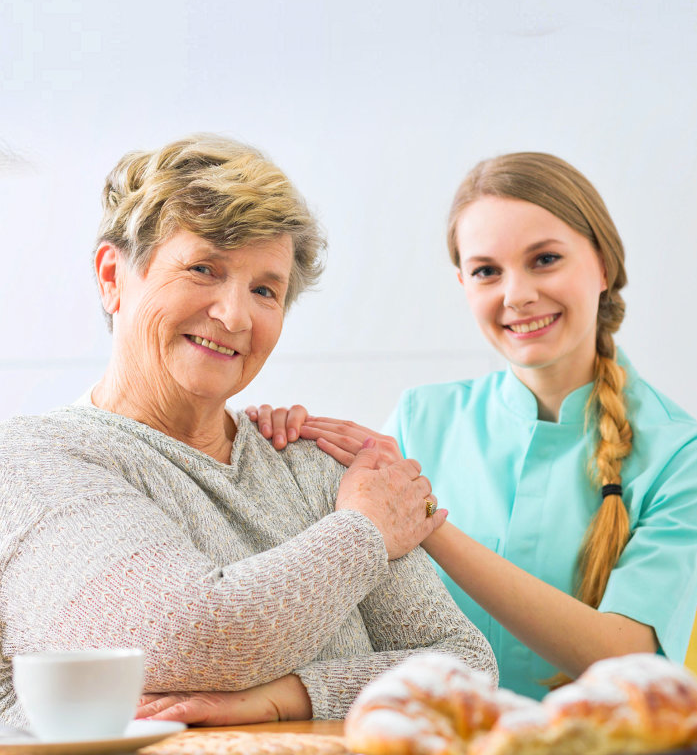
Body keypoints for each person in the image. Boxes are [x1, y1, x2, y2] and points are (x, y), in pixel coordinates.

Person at [0, 134, 495, 729]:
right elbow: (182, 638)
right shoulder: (32, 461)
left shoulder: (314, 462)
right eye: (203, 268)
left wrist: (290, 694)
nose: (234, 316)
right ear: (113, 276)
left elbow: (465, 667)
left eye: (265, 290)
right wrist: (363, 534)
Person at [249, 152, 697, 699]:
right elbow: (332, 592)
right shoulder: (418, 419)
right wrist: (275, 449)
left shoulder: (685, 453)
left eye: (544, 259)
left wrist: (424, 518)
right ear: (464, 283)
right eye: (486, 271)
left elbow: (625, 655)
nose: (517, 294)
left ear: (603, 264)